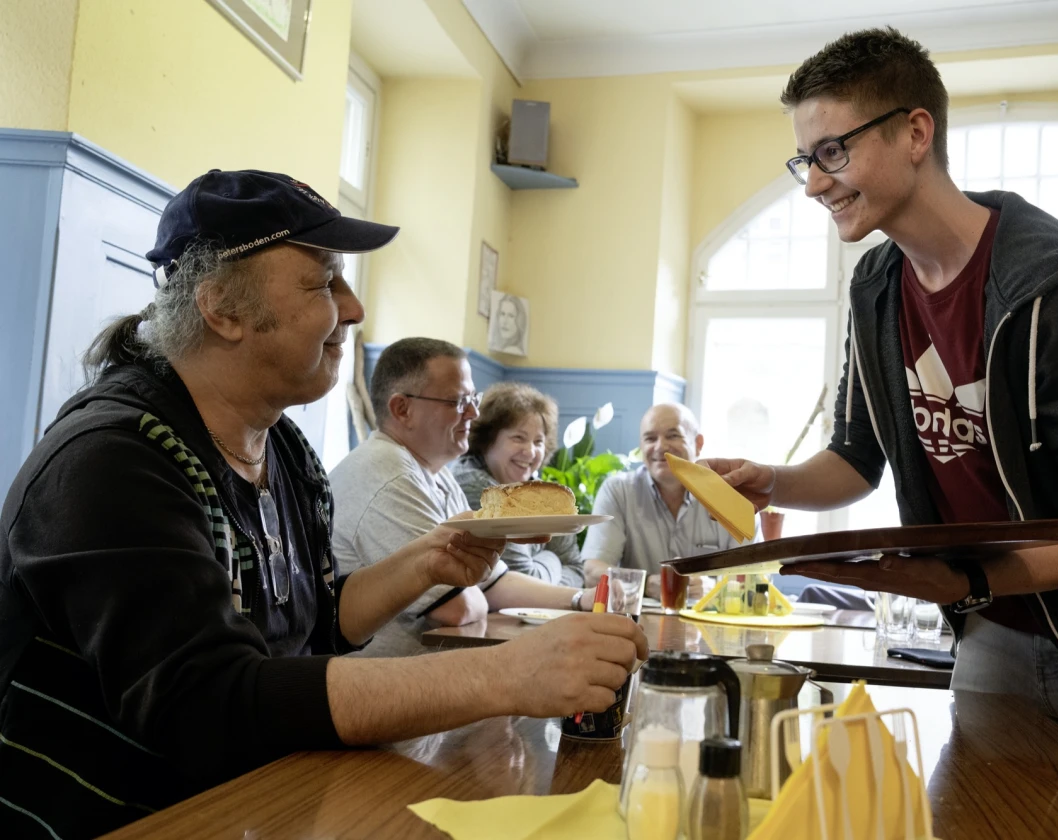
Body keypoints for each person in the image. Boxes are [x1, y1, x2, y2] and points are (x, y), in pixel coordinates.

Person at [0, 170, 646, 840]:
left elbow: (313, 623)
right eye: (324, 281)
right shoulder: (112, 461)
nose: (355, 308)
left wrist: (427, 560)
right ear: (222, 309)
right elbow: (209, 705)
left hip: (257, 802)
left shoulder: (282, 448)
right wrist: (503, 676)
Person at [709, 29, 1058, 743]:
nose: (812, 182)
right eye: (805, 158)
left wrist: (968, 585)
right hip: (996, 628)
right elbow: (856, 456)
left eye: (833, 151)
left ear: (915, 133)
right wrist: (768, 481)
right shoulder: (877, 288)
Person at [329, 338, 601, 656]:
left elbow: (494, 582)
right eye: (457, 401)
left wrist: (580, 599)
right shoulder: (390, 476)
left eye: (474, 398)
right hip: (380, 691)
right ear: (402, 409)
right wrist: (477, 591)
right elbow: (458, 608)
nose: (473, 412)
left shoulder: (435, 472)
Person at [582, 403, 739, 600]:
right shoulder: (618, 491)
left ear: (698, 444)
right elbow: (592, 572)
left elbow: (756, 576)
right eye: (650, 438)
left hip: (713, 625)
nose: (660, 446)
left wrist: (714, 588)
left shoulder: (728, 496)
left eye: (673, 435)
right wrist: (644, 585)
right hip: (637, 625)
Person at [452, 381, 584, 586]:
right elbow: (523, 579)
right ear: (488, 440)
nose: (531, 452)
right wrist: (552, 559)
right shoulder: (476, 487)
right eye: (519, 438)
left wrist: (544, 581)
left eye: (538, 442)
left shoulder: (538, 491)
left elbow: (576, 569)